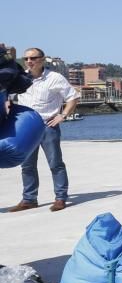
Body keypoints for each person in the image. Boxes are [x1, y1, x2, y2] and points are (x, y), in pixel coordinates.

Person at [8, 47, 79, 212]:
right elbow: (9, 99)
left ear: (42, 59)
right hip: (26, 128)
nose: (29, 61)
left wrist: (63, 115)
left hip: (48, 125)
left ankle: (60, 198)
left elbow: (73, 97)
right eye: (26, 59)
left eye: (32, 58)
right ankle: (29, 199)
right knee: (27, 166)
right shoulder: (20, 78)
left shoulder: (55, 78)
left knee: (55, 163)